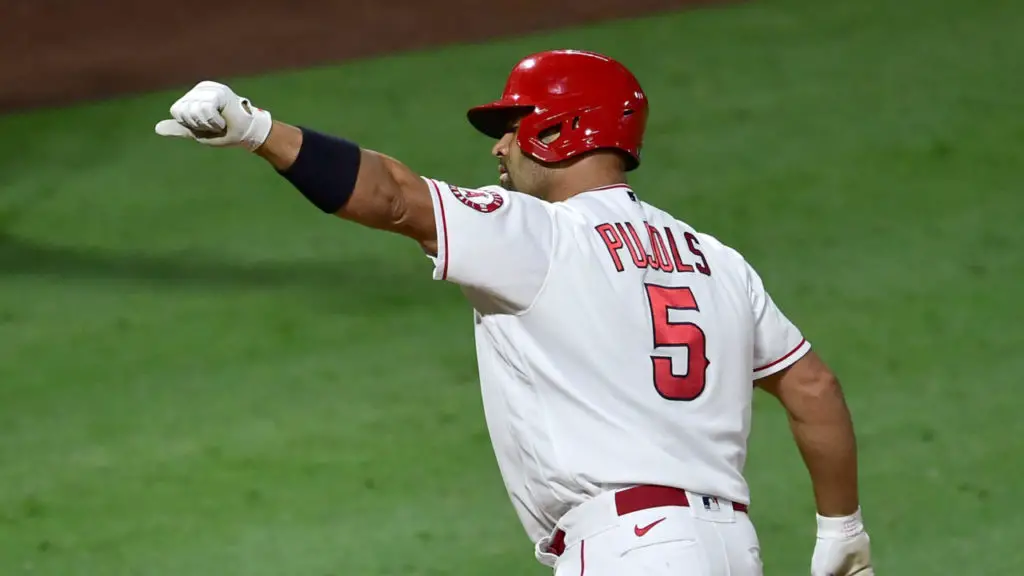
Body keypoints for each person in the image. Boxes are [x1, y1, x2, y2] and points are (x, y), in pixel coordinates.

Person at [154, 49, 872, 576]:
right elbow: (812, 387)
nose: (499, 146)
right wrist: (842, 525)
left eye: (514, 124)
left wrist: (258, 131)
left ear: (560, 132)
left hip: (629, 550)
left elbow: (395, 196)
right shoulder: (717, 260)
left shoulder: (541, 234)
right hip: (732, 551)